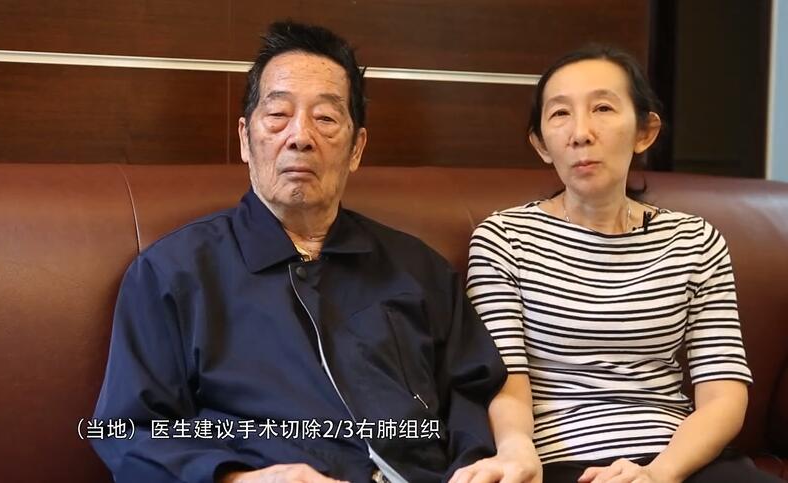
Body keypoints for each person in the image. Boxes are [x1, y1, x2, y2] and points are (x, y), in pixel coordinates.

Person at [91, 21, 510, 483]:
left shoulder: (418, 269)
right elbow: (127, 430)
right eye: (278, 114)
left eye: (326, 118)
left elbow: (474, 391)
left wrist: (477, 467)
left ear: (357, 148)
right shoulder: (173, 273)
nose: (300, 136)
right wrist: (239, 479)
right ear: (245, 138)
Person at [466, 45, 782, 483]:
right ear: (541, 144)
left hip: (678, 460)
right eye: (560, 114)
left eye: (602, 108)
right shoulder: (503, 238)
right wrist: (517, 452)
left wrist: (658, 474)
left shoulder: (694, 240)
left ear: (644, 131)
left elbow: (722, 393)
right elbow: (506, 383)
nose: (580, 133)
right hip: (560, 462)